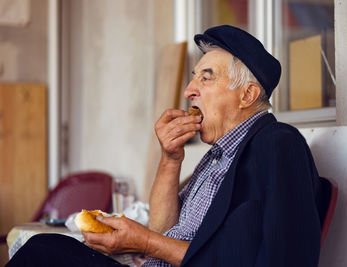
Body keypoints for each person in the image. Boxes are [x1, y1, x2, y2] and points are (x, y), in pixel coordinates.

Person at [6, 25, 323, 267]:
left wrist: (143, 241)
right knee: (46, 248)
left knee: (43, 253)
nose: (189, 90)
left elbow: (282, 257)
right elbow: (166, 230)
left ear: (247, 95)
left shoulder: (279, 144)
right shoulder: (217, 156)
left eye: (206, 79)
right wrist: (170, 159)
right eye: (193, 78)